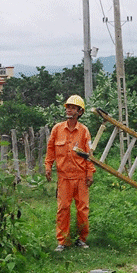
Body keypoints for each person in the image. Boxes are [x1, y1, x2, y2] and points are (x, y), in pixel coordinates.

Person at [45, 95, 94, 250]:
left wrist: (90, 173)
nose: (69, 110)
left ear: (79, 112)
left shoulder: (84, 131)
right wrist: (48, 166)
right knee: (63, 209)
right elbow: (50, 149)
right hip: (64, 177)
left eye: (72, 108)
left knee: (83, 210)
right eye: (67, 107)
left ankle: (82, 239)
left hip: (80, 177)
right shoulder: (57, 129)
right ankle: (63, 241)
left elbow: (89, 154)